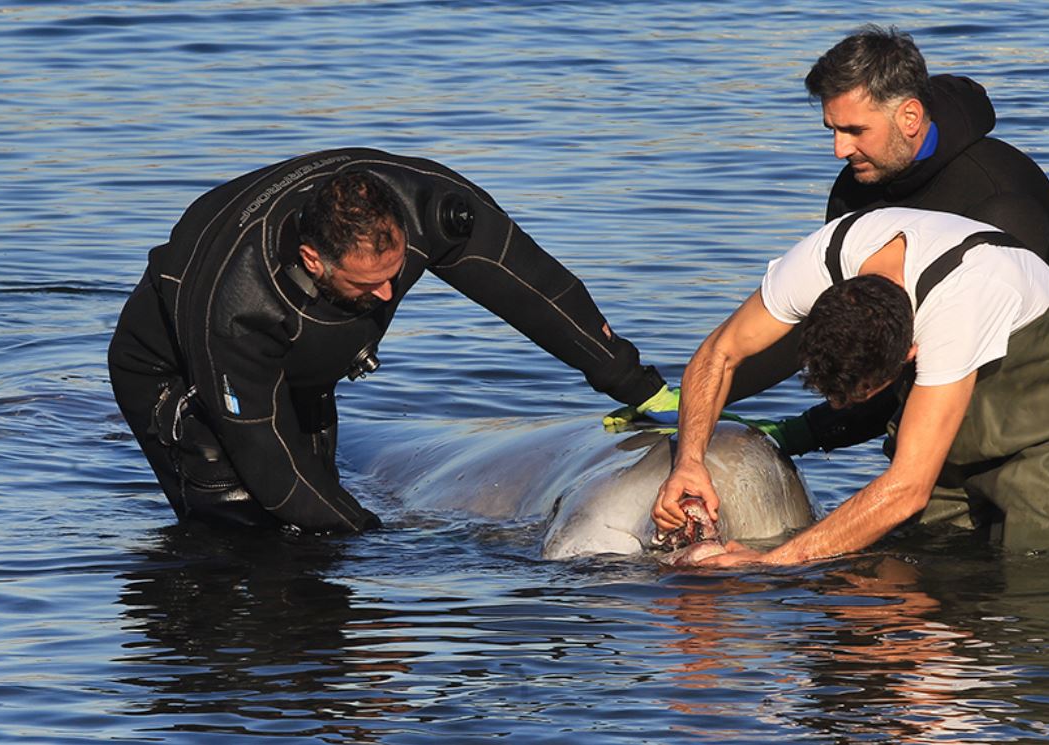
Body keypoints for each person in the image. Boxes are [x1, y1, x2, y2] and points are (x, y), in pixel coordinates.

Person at [108, 148, 678, 534]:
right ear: (313, 259)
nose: (388, 295)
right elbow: (273, 471)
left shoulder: (424, 203)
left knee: (322, 524)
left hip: (304, 364)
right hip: (179, 376)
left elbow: (537, 292)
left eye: (397, 272)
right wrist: (380, 543)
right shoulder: (236, 307)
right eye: (368, 282)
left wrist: (639, 387)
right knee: (254, 535)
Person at [654, 207, 1049, 564]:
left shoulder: (959, 306)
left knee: (1033, 561)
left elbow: (908, 488)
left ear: (911, 352)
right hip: (968, 416)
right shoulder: (819, 262)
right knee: (912, 552)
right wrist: (689, 462)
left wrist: (773, 562)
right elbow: (718, 354)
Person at [727, 25, 1049, 455]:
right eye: (832, 130)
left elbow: (918, 357)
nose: (839, 149)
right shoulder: (857, 186)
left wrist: (808, 432)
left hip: (1041, 430)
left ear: (909, 117)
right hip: (923, 414)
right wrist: (706, 393)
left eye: (854, 130)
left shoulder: (1001, 198)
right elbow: (842, 328)